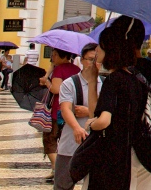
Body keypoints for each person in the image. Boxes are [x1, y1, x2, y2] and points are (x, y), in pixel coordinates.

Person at [88, 16, 151, 190]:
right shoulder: (141, 75)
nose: (96, 50)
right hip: (141, 149)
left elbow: (102, 118)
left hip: (117, 155)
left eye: (100, 46)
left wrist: (92, 123)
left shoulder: (116, 79)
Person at [54, 42, 102, 190]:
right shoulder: (70, 83)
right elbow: (66, 109)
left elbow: (107, 112)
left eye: (96, 60)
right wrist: (76, 128)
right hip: (70, 143)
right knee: (63, 185)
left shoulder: (105, 83)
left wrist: (87, 111)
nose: (92, 64)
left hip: (95, 144)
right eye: (89, 59)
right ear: (81, 60)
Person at [39, 48, 80, 180]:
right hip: (72, 110)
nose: (52, 57)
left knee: (50, 140)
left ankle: (57, 168)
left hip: (58, 110)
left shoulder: (59, 69)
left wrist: (46, 82)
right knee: (64, 141)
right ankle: (56, 169)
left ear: (60, 55)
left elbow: (56, 89)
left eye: (54, 55)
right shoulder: (76, 69)